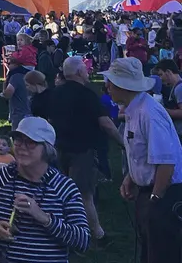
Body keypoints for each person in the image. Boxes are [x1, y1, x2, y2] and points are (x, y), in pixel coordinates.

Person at [0, 117, 90, 261]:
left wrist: (44, 218)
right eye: (18, 140)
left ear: (47, 149)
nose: (21, 147)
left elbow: (83, 241)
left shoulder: (63, 187)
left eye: (31, 142)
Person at [102, 57, 182, 263]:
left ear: (123, 85)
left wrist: (155, 200)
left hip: (165, 194)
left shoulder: (149, 114)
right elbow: (144, 153)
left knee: (161, 253)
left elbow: (166, 162)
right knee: (149, 249)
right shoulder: (134, 109)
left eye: (111, 82)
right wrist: (131, 176)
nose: (107, 86)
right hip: (152, 192)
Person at [47, 55, 123, 241]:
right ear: (80, 72)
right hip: (83, 150)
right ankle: (96, 233)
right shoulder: (87, 93)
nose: (88, 72)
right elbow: (105, 122)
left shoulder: (55, 93)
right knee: (84, 194)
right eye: (85, 69)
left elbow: (49, 121)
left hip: (60, 148)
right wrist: (123, 143)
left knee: (64, 192)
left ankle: (66, 227)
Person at [152, 58, 182, 140]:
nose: (160, 78)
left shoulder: (179, 88)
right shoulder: (175, 87)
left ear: (168, 72)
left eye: (161, 74)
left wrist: (163, 110)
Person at [2, 52, 31, 130]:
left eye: (9, 63)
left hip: (18, 113)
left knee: (17, 137)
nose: (7, 65)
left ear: (15, 64)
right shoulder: (29, 74)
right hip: (30, 110)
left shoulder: (15, 76)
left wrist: (4, 85)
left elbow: (7, 94)